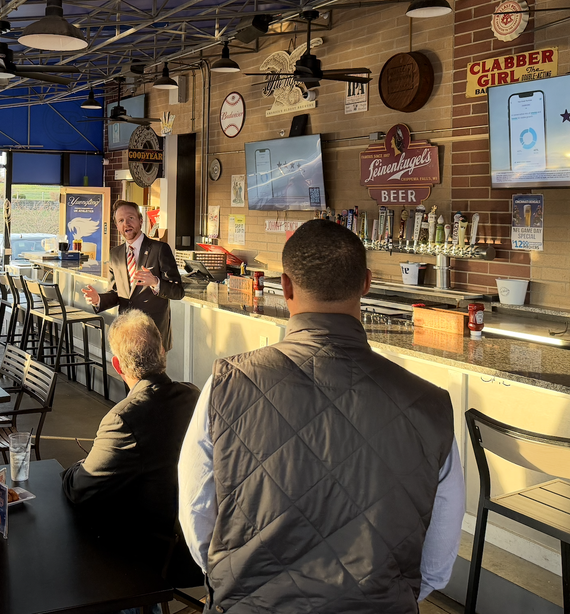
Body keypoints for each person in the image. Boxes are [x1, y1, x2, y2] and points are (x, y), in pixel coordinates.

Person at [178, 220, 463, 613]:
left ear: (288, 286)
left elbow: (197, 521)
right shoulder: (430, 405)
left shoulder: (226, 384)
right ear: (365, 283)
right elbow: (436, 564)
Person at [63, 310, 199, 541]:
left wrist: (76, 467)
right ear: (162, 352)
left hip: (141, 547)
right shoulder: (193, 395)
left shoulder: (124, 418)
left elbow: (80, 487)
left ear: (117, 365)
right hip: (189, 538)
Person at [82, 200, 185, 350]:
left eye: (131, 218)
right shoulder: (115, 254)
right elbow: (117, 293)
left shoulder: (159, 249)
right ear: (117, 226)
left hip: (153, 333)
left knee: (152, 375)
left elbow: (178, 291)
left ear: (140, 220)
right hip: (127, 332)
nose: (126, 224)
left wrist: (155, 282)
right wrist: (99, 299)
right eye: (121, 220)